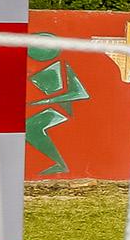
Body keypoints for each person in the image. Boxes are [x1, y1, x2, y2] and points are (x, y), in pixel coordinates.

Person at [27, 45, 89, 176]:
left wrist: (42, 102)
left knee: (32, 128)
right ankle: (59, 164)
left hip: (56, 107)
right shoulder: (51, 70)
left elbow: (78, 93)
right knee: (32, 128)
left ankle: (60, 164)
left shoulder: (58, 68)